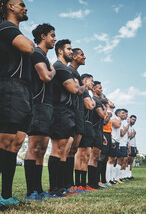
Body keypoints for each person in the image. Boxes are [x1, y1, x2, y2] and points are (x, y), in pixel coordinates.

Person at [0, 0, 35, 209]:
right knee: (3, 142)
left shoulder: (13, 30)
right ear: (9, 7)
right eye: (22, 4)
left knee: (14, 145)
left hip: (23, 90)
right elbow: (28, 47)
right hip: (10, 88)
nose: (25, 7)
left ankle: (6, 195)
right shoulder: (5, 27)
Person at [24, 23, 56, 200]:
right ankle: (31, 192)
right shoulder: (37, 53)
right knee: (34, 147)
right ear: (43, 36)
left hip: (46, 107)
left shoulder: (43, 56)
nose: (54, 38)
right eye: (52, 35)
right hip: (37, 105)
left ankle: (39, 189)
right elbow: (45, 76)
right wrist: (53, 71)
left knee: (42, 149)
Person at [48, 39, 79, 197]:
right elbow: (75, 89)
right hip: (59, 111)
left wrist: (76, 85)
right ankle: (54, 188)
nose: (71, 52)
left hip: (67, 112)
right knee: (58, 149)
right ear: (60, 51)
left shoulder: (65, 68)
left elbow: (76, 88)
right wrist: (76, 84)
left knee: (64, 151)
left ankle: (61, 187)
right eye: (68, 49)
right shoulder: (59, 67)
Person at [65, 48, 86, 193]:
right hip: (70, 112)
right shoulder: (69, 71)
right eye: (82, 54)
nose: (85, 57)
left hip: (79, 113)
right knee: (67, 149)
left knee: (73, 150)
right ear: (74, 56)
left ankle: (71, 184)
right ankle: (65, 184)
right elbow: (77, 90)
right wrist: (84, 86)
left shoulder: (76, 73)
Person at [75, 74, 95, 191]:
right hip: (82, 123)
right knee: (80, 154)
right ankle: (77, 183)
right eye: (91, 81)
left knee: (87, 155)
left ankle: (84, 182)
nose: (92, 83)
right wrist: (92, 102)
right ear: (85, 80)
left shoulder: (89, 94)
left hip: (89, 125)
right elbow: (90, 106)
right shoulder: (84, 92)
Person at [87, 81, 106, 189]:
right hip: (94, 130)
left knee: (96, 157)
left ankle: (94, 182)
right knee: (93, 157)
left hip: (99, 131)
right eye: (99, 88)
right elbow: (102, 115)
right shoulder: (95, 100)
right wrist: (105, 108)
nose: (101, 90)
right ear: (94, 89)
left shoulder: (98, 101)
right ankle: (91, 183)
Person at [100, 100, 115, 186]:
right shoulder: (105, 112)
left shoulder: (108, 112)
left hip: (109, 134)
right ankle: (99, 180)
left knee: (106, 158)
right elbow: (104, 122)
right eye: (110, 101)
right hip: (104, 133)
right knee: (101, 157)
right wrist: (109, 115)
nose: (111, 102)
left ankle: (104, 179)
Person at [106, 109, 122, 184]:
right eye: (122, 113)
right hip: (113, 140)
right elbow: (118, 126)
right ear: (118, 114)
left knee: (114, 159)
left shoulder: (118, 119)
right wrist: (119, 119)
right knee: (110, 159)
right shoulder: (114, 118)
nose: (124, 115)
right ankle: (108, 179)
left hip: (117, 141)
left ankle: (112, 178)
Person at [127, 115, 137, 179]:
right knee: (127, 161)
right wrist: (133, 134)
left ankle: (130, 174)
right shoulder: (127, 127)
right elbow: (127, 137)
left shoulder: (132, 128)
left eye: (135, 120)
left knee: (131, 161)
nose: (134, 121)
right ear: (129, 119)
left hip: (133, 146)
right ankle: (126, 175)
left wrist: (136, 147)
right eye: (133, 119)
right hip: (129, 145)